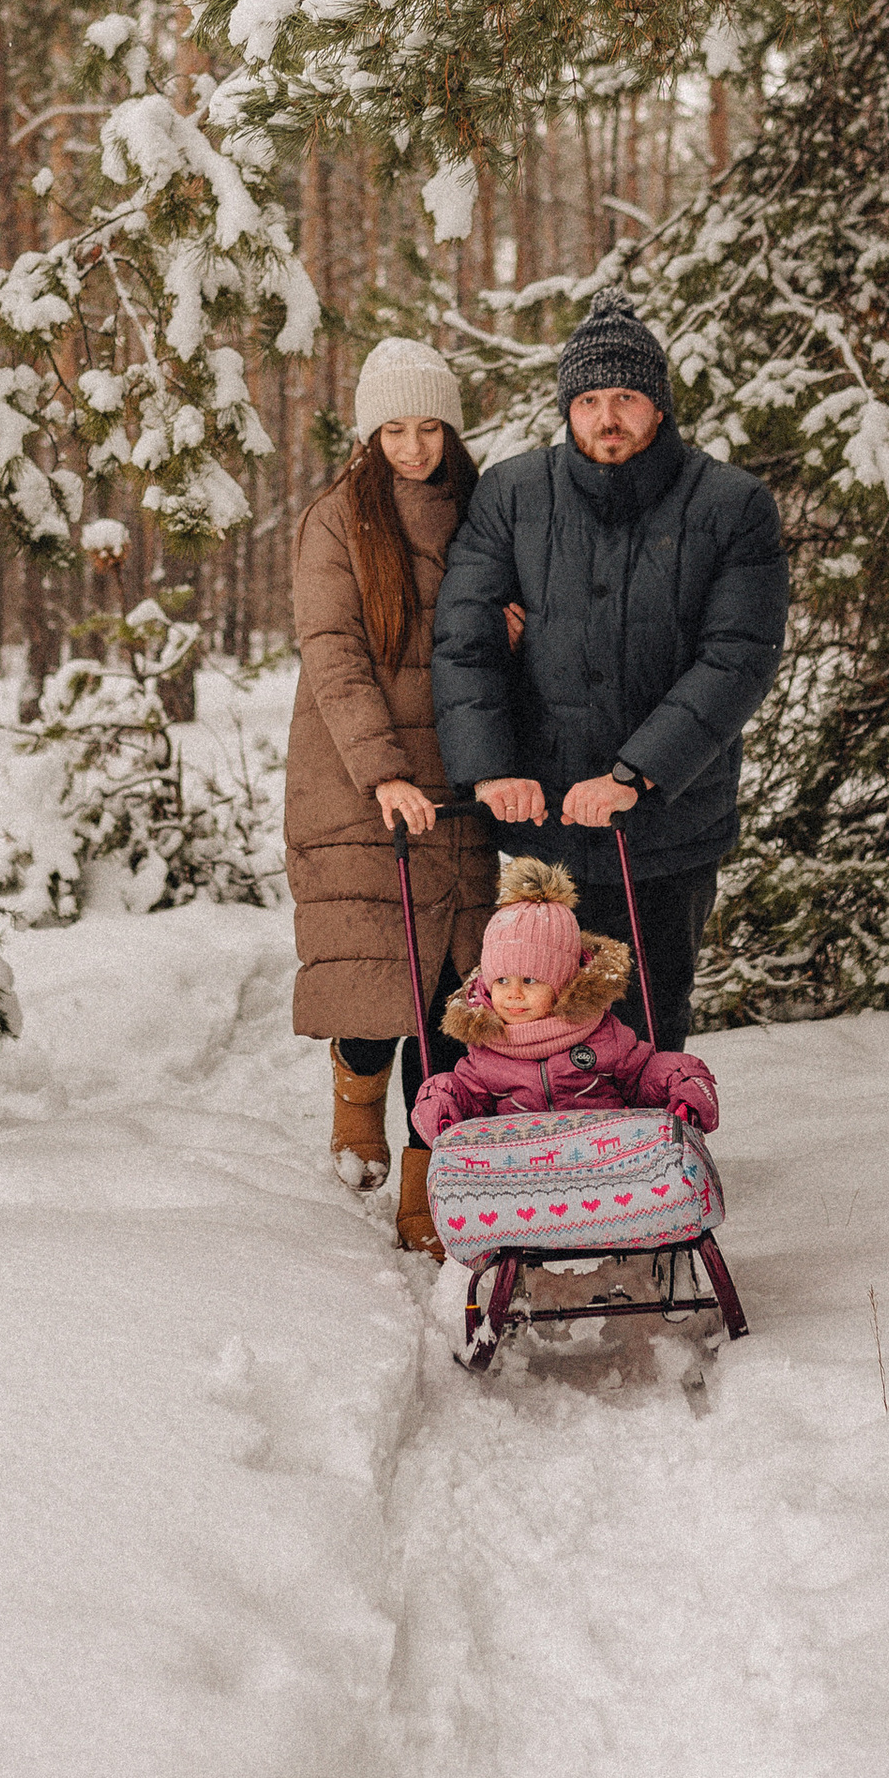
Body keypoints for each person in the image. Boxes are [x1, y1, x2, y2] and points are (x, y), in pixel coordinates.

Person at [431, 288, 787, 1051]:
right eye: (589, 399)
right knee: (531, 1025)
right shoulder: (512, 495)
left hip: (667, 827)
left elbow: (737, 658)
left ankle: (648, 1160)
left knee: (647, 1022)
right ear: (568, 408)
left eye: (625, 396)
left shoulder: (732, 506)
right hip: (539, 823)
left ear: (658, 405)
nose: (606, 416)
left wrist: (635, 774)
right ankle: (553, 1162)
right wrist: (489, 771)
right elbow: (465, 641)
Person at [284, 337, 498, 1244]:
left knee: (453, 1002)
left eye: (429, 427)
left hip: (460, 786)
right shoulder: (337, 520)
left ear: (451, 427)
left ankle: (428, 1184)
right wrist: (384, 772)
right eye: (395, 430)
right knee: (379, 995)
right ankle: (357, 1083)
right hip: (359, 782)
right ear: (371, 434)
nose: (414, 448)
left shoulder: (485, 512)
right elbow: (334, 657)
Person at [409, 859, 719, 1141]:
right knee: (440, 1087)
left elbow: (645, 1075)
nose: (514, 993)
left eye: (530, 980)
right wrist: (442, 1107)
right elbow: (464, 1096)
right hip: (521, 1171)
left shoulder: (600, 1035)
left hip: (606, 1160)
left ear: (562, 983)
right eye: (502, 981)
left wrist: (681, 1084)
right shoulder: (486, 1052)